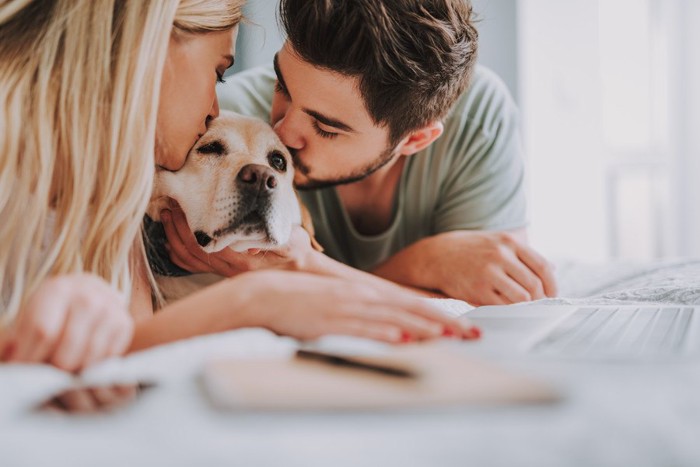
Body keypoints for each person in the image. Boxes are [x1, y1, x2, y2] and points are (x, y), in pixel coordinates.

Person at [0, 0, 479, 376]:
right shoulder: (150, 163)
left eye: (326, 128)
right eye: (219, 73)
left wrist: (295, 271)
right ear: (148, 49)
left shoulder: (120, 177)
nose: (285, 132)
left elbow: (130, 347)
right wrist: (257, 300)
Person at [162, 0, 559, 306]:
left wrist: (308, 269)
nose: (283, 131)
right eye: (283, 86)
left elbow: (494, 313)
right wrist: (422, 268)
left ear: (414, 140)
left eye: (326, 126)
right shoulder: (222, 118)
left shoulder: (478, 121)